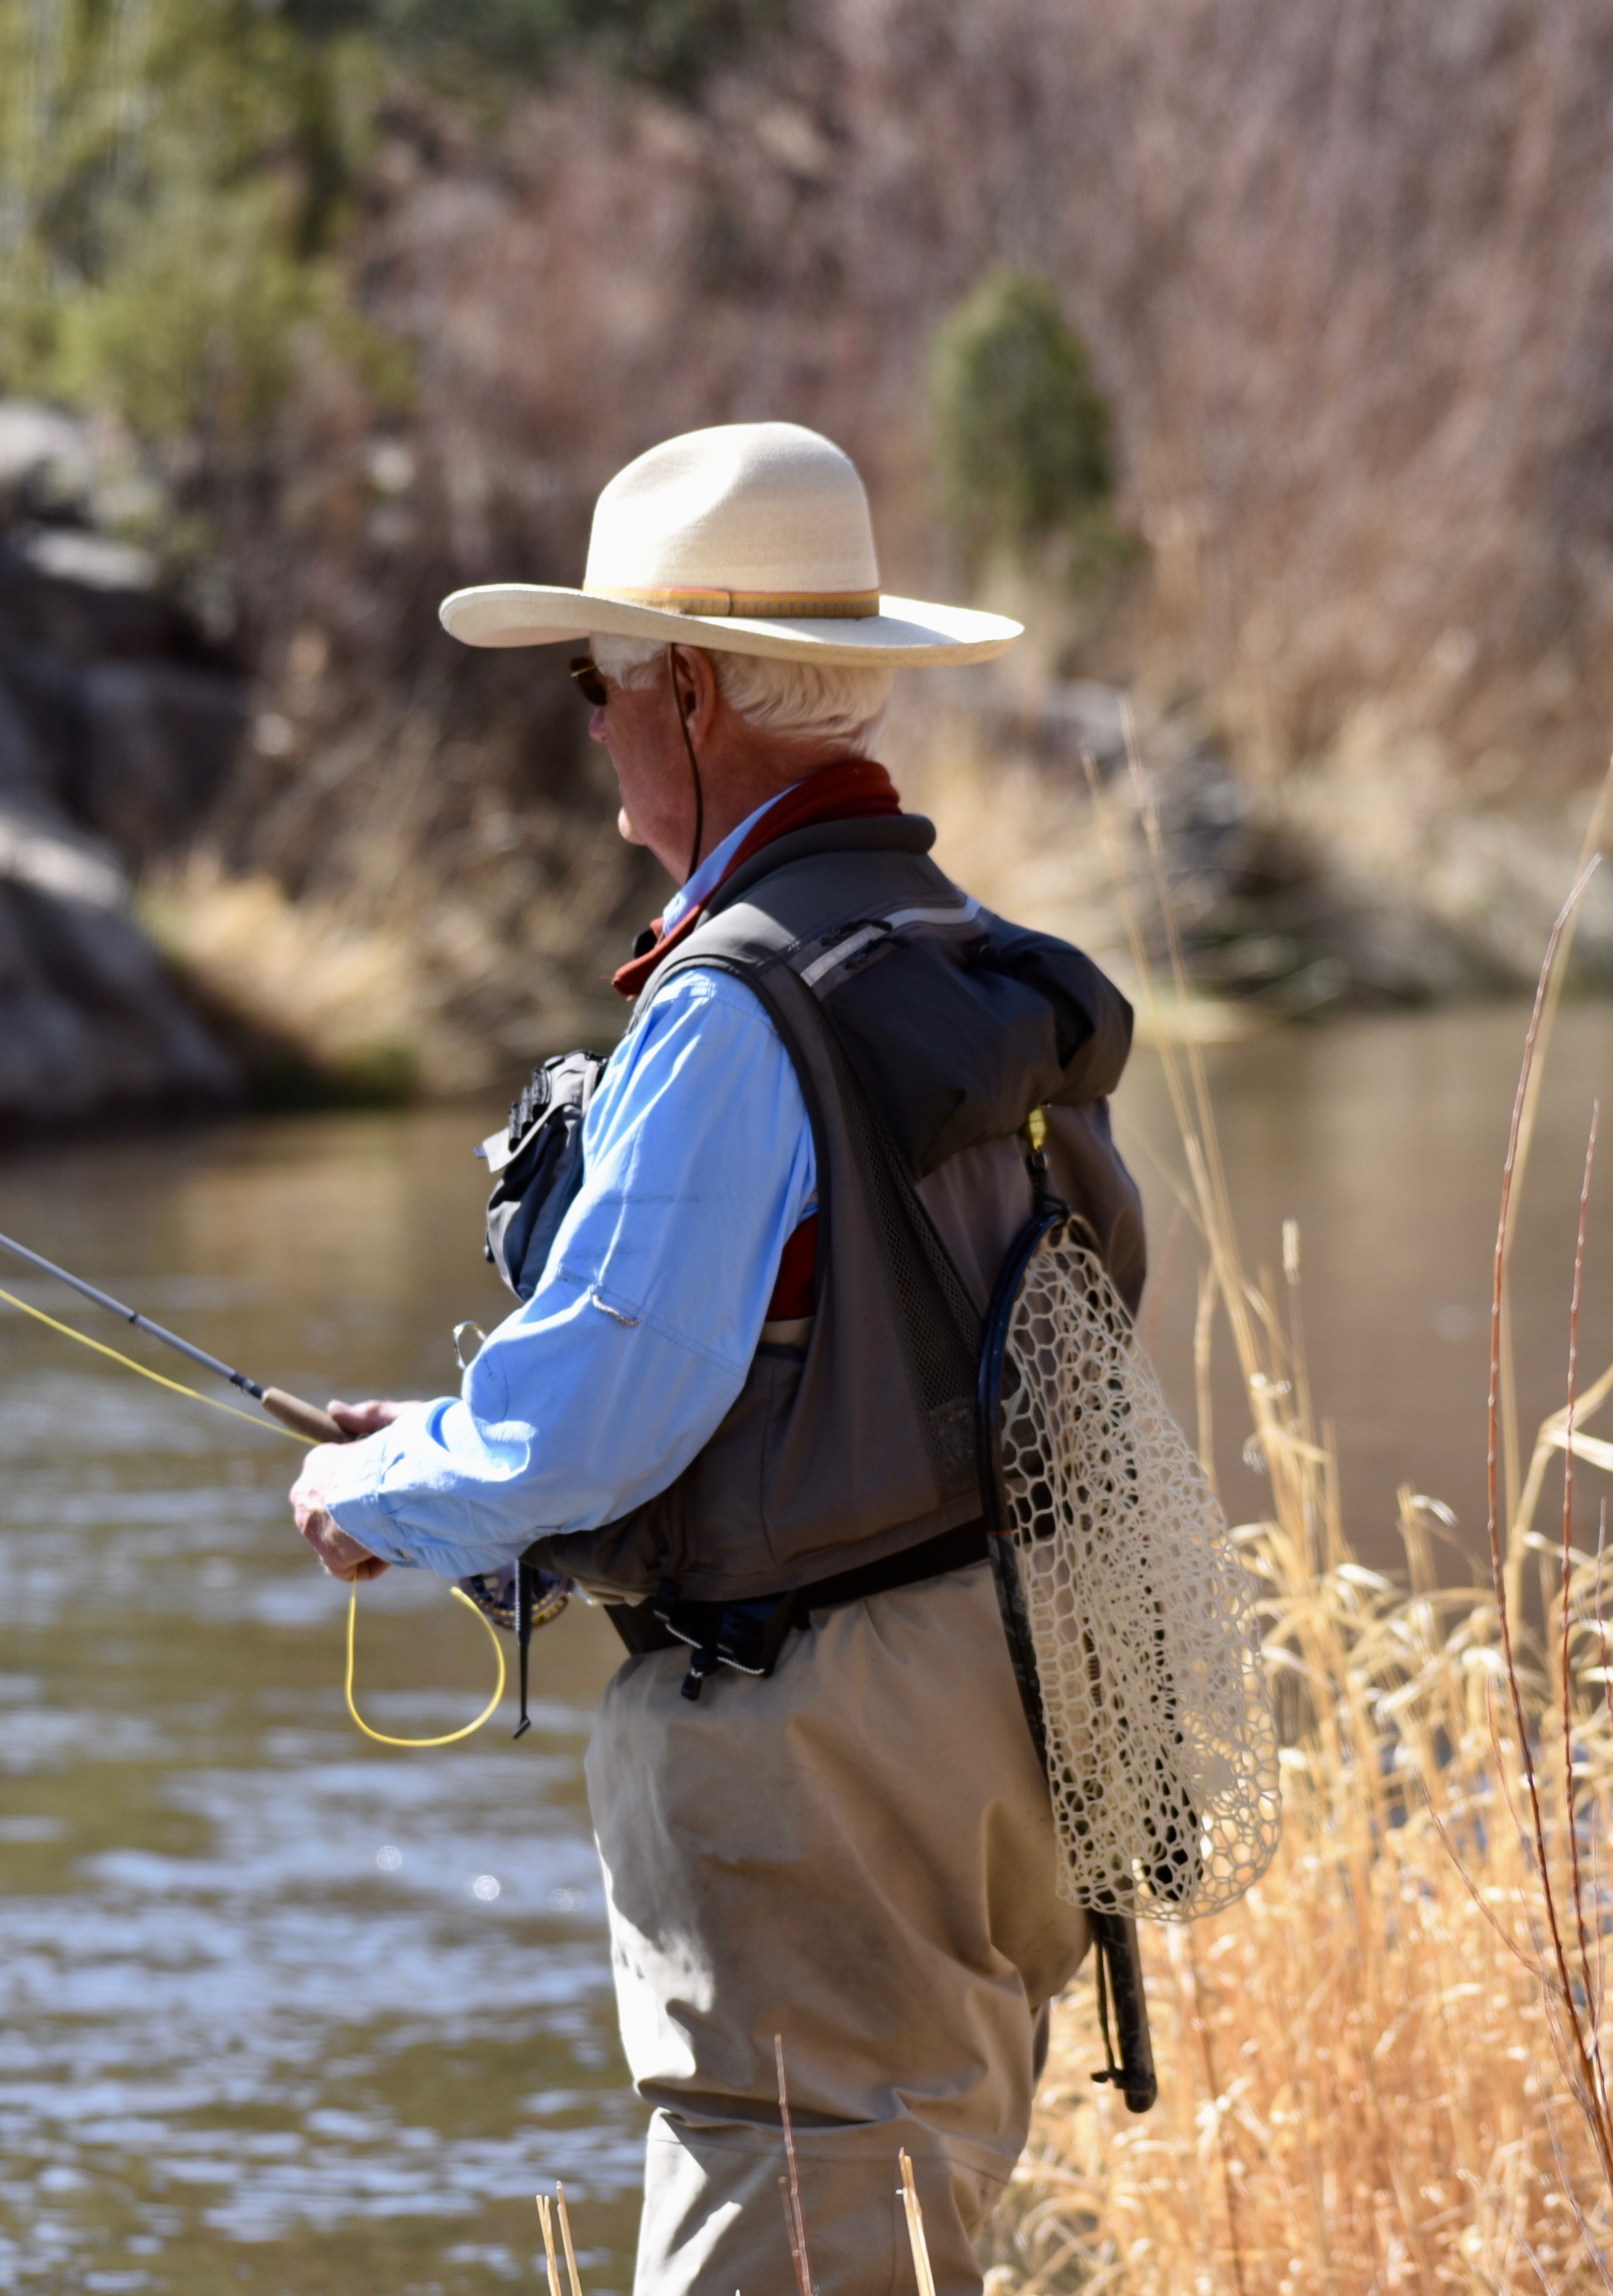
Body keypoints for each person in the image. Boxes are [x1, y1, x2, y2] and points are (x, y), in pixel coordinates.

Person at [286, 422, 1145, 2291]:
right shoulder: (947, 944)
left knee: (807, 2203)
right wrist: (463, 1455)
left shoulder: (736, 1008)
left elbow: (589, 1424)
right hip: (997, 1697)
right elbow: (825, 1367)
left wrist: (376, 1487)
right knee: (911, 2203)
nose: (588, 727)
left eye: (598, 685)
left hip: (822, 1755)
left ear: (685, 687)